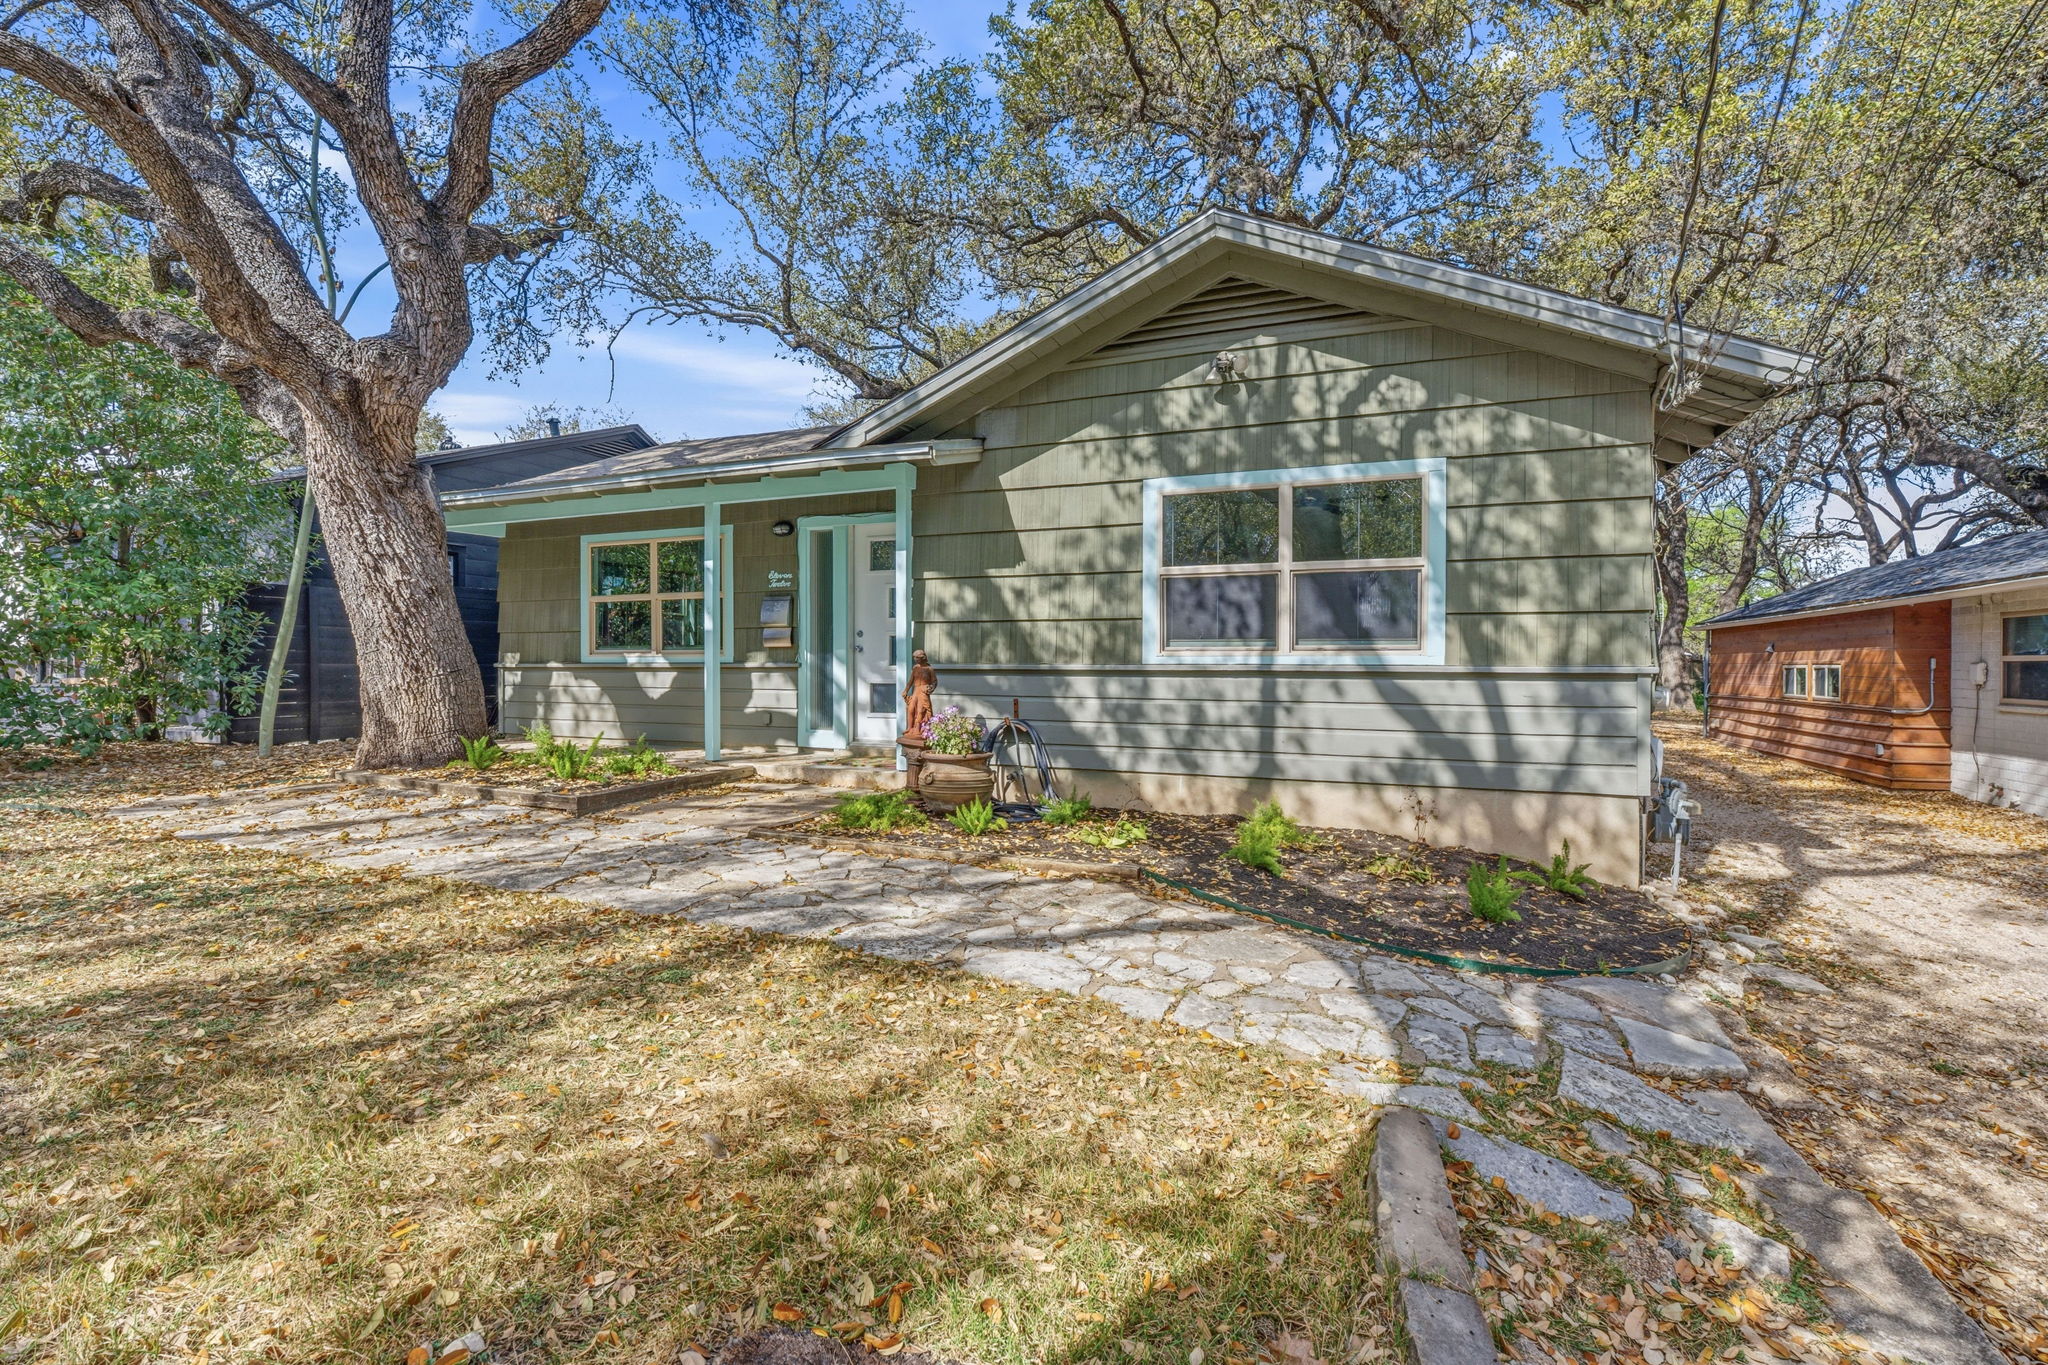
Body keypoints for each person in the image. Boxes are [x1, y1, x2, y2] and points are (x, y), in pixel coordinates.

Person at [902, 649, 938, 736]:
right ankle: (910, 728)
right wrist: (906, 690)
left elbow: (934, 681)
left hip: (923, 691)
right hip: (916, 690)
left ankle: (918, 729)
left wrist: (931, 687)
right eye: (914, 657)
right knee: (910, 709)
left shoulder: (929, 669)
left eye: (917, 657)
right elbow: (910, 681)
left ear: (923, 657)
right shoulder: (915, 668)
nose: (915, 659)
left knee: (920, 710)